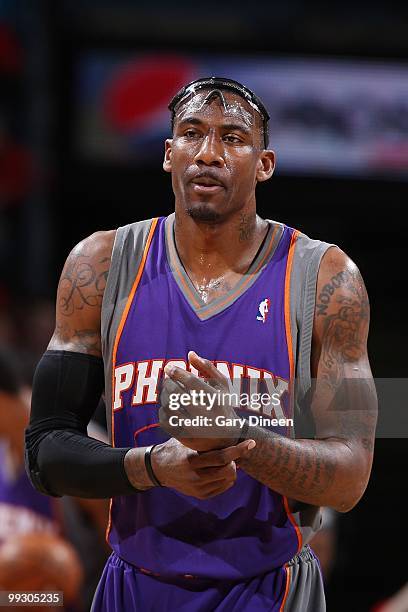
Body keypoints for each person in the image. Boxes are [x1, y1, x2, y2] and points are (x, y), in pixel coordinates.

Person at [25, 77, 377, 611]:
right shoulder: (97, 265)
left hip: (267, 588)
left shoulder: (331, 280)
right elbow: (45, 453)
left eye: (233, 139)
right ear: (169, 154)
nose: (208, 153)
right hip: (134, 584)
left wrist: (235, 434)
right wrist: (151, 467)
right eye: (192, 134)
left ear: (266, 164)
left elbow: (351, 477)